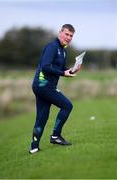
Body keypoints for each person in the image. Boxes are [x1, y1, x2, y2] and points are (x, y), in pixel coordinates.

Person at [29, 24, 81, 154]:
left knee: (42, 117)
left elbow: (61, 69)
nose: (68, 37)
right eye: (67, 34)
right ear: (60, 33)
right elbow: (45, 66)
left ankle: (34, 148)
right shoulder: (52, 47)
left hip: (43, 86)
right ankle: (55, 136)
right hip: (43, 85)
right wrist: (63, 73)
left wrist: (71, 70)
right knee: (67, 105)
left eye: (71, 36)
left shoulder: (63, 50)